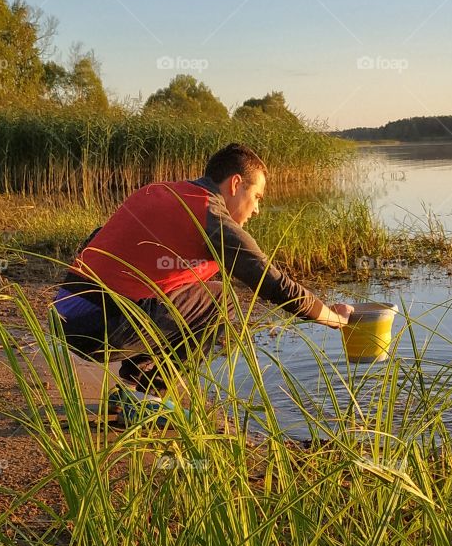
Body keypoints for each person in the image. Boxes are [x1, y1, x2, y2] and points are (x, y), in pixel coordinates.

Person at [50, 143, 353, 421]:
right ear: (235, 184)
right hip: (99, 321)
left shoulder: (160, 191)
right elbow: (273, 283)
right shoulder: (208, 212)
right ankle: (146, 398)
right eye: (256, 197)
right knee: (221, 301)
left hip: (66, 313)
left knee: (192, 290)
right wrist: (331, 317)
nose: (257, 209)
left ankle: (131, 388)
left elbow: (98, 238)